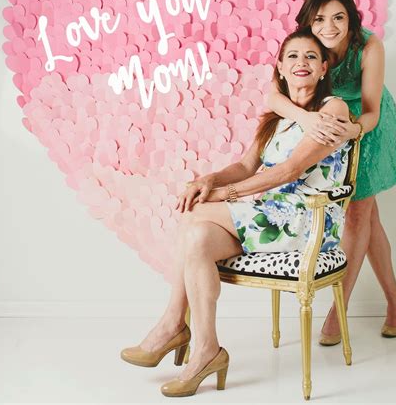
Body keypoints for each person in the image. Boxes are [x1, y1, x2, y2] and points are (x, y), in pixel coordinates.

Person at [120, 27, 354, 397]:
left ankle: (172, 325)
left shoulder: (333, 109)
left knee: (195, 213)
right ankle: (205, 349)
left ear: (324, 67)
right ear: (279, 67)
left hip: (307, 218)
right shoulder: (277, 118)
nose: (301, 63)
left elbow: (289, 171)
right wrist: (207, 180)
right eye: (292, 56)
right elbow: (247, 166)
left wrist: (222, 195)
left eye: (311, 56)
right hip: (269, 215)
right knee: (196, 236)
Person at [266, 0, 396, 345]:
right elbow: (272, 94)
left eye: (338, 17)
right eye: (319, 19)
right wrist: (307, 119)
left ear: (351, 18)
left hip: (367, 127)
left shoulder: (369, 46)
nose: (329, 27)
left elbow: (373, 109)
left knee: (359, 216)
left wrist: (352, 130)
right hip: (325, 122)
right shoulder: (304, 45)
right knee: (368, 218)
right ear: (308, 22)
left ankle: (339, 308)